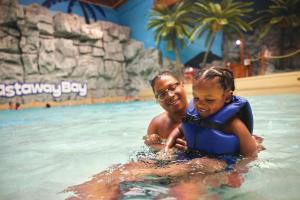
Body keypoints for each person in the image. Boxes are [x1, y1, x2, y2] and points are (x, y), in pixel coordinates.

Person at [165, 66, 258, 158]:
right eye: (196, 98)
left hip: (221, 165)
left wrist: (235, 171)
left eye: (209, 100)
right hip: (193, 158)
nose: (200, 104)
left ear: (227, 97)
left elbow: (251, 155)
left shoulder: (233, 124)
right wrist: (167, 147)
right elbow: (179, 130)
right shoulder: (193, 116)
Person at [144, 71, 188, 151]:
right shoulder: (156, 124)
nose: (170, 96)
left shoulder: (203, 113)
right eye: (162, 94)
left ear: (182, 84)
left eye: (172, 87)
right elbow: (151, 149)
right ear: (157, 100)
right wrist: (162, 147)